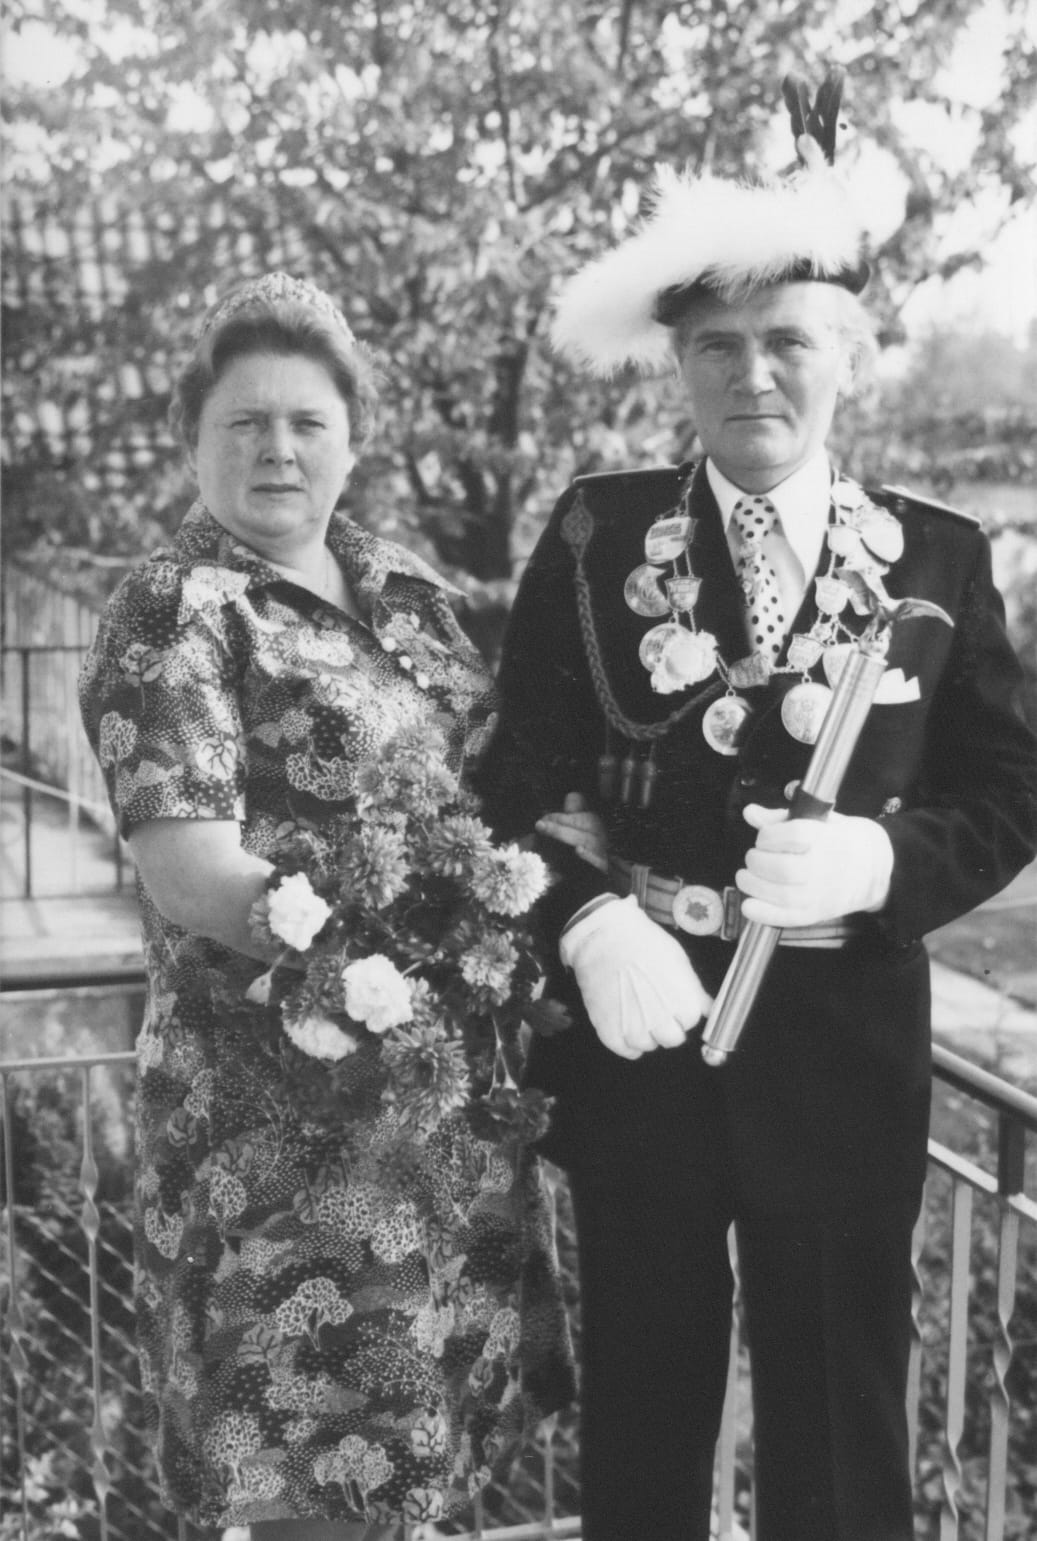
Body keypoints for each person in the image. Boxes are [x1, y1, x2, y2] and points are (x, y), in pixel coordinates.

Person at [477, 75, 1037, 1541]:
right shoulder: (597, 535)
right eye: (717, 346)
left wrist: (880, 862)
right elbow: (500, 788)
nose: (754, 376)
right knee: (644, 1422)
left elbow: (1010, 787)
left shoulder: (934, 557)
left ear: (847, 354)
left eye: (788, 340)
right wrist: (585, 920)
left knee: (840, 1434)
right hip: (643, 1040)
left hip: (844, 1045)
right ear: (678, 364)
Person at [79, 272, 573, 1541]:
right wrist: (401, 954)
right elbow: (192, 871)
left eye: (307, 420)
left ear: (354, 438)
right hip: (283, 1142)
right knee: (317, 1489)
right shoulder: (173, 609)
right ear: (192, 437)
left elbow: (489, 790)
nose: (277, 448)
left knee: (414, 1481)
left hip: (437, 1128)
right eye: (243, 422)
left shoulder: (401, 585)